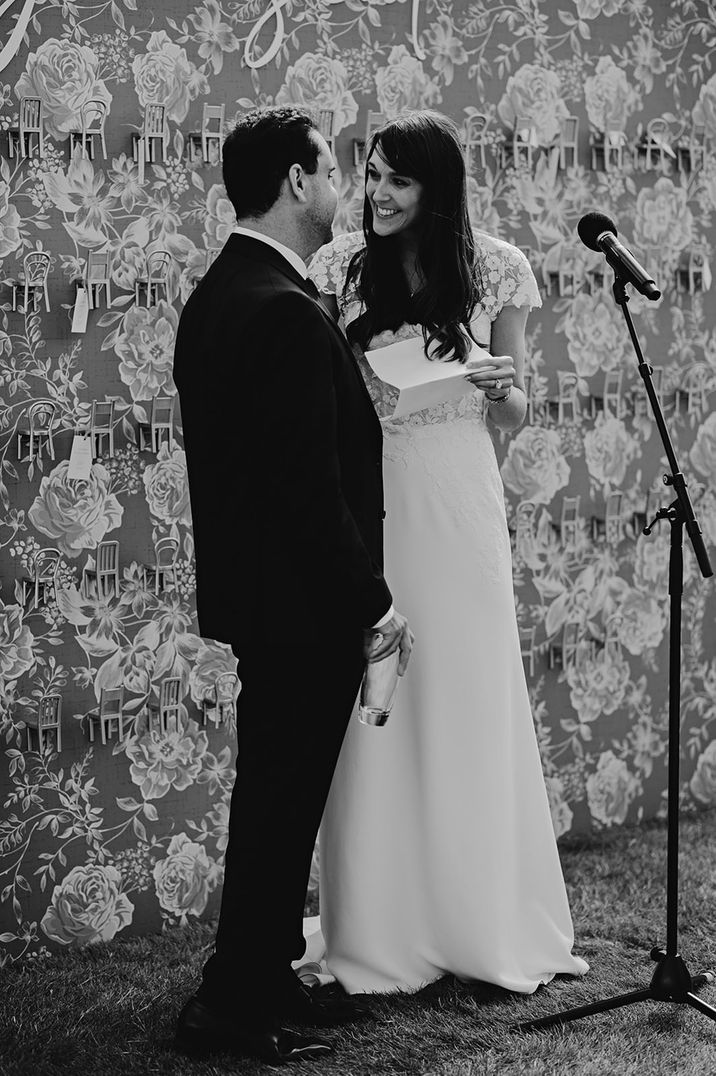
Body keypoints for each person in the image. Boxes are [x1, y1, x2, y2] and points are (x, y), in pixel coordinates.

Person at [306, 109, 589, 995]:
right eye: (371, 176)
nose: (378, 194)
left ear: (437, 188)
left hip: (460, 506)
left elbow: (516, 413)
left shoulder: (497, 267)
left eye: (398, 179)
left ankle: (477, 917)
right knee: (380, 700)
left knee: (465, 695)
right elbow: (322, 396)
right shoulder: (338, 267)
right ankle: (381, 927)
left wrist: (506, 388)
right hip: (377, 502)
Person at [171, 106, 413, 1064]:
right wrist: (374, 601)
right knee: (277, 801)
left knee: (278, 794)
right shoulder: (274, 305)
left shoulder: (230, 290)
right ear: (293, 182)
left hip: (268, 599)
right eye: (330, 167)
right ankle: (230, 1005)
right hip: (300, 604)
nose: (342, 184)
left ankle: (262, 973)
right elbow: (305, 489)